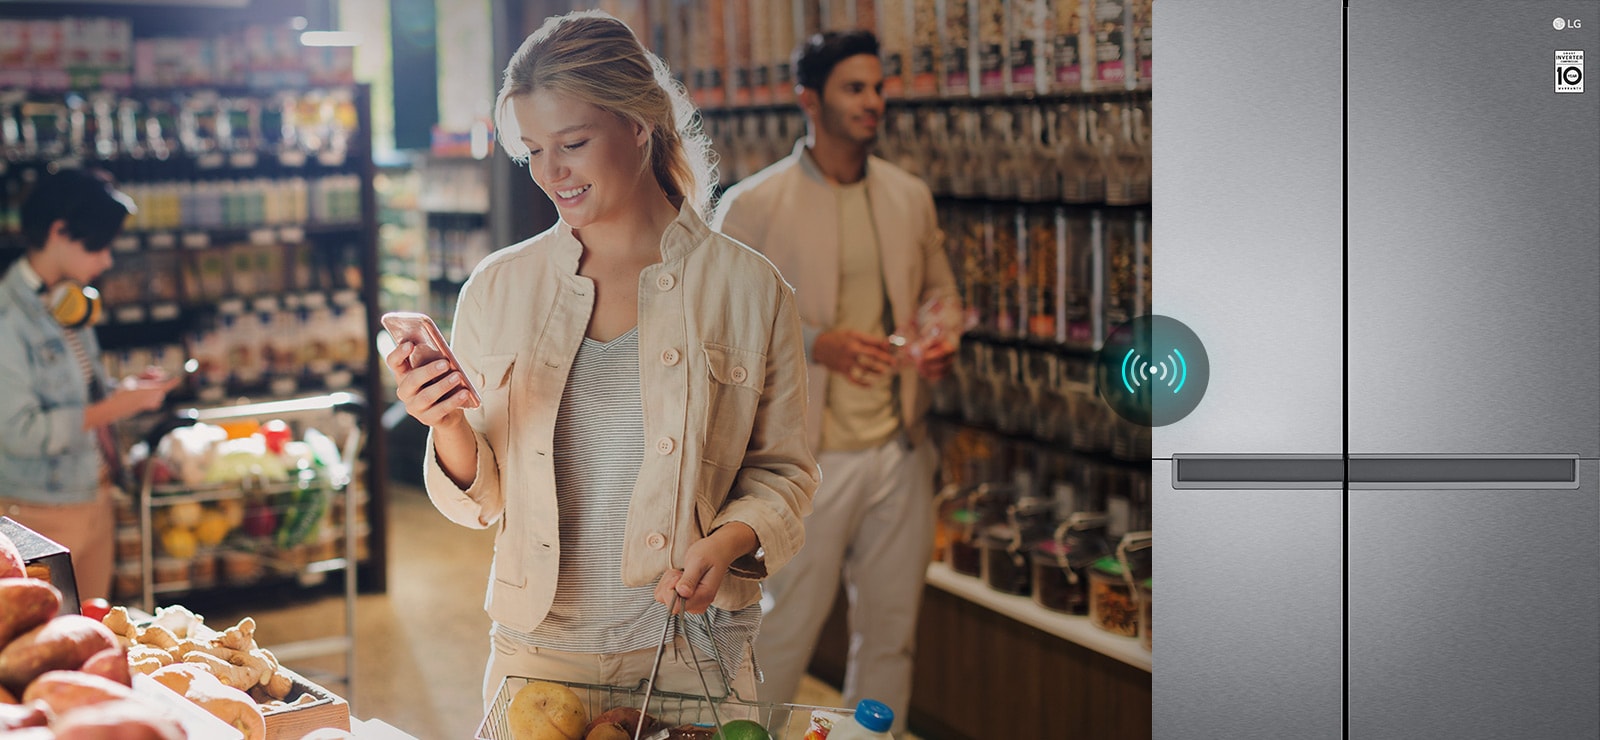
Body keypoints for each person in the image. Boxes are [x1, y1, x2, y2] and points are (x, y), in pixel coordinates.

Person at [384, 10, 818, 711]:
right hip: (538, 656)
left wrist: (728, 540)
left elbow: (785, 473)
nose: (552, 173)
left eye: (573, 143)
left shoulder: (749, 288)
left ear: (638, 125)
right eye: (533, 151)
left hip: (692, 654)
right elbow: (483, 501)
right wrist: (446, 425)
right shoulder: (498, 287)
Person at [711, 29, 962, 732]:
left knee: (890, 638)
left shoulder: (909, 196)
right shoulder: (753, 206)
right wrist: (820, 344)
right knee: (782, 630)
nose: (873, 101)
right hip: (803, 463)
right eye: (855, 88)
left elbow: (941, 294)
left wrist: (941, 340)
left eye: (878, 87)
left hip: (899, 450)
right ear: (808, 102)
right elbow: (717, 330)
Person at [0, 168, 179, 601]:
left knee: (95, 625)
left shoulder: (68, 297)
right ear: (59, 231)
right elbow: (18, 431)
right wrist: (116, 408)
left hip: (95, 494)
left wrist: (122, 392)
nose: (106, 260)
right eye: (98, 245)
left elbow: (76, 391)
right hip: (40, 510)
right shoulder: (9, 316)